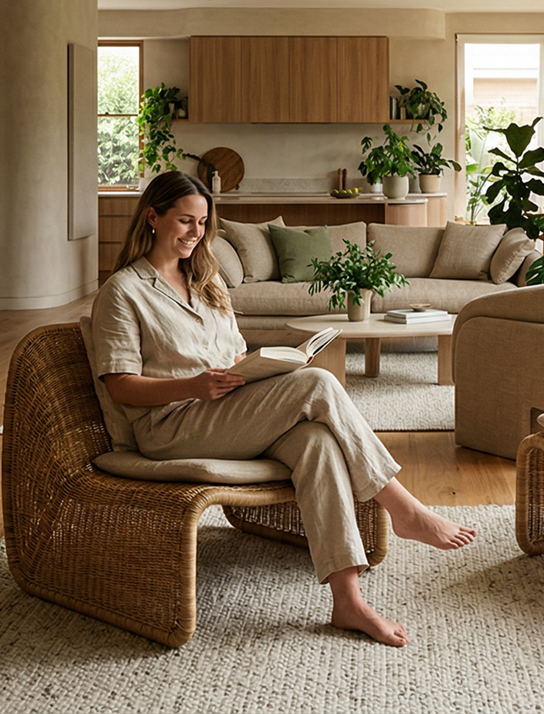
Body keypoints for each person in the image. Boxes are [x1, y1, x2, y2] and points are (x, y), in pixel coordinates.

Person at [83, 171, 475, 646]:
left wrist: (249, 370)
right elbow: (120, 385)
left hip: (226, 412)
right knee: (318, 383)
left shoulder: (207, 283)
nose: (195, 233)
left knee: (315, 441)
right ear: (152, 216)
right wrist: (194, 385)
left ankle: (347, 601)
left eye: (203, 223)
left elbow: (233, 356)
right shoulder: (123, 291)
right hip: (170, 427)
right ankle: (405, 509)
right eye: (185, 221)